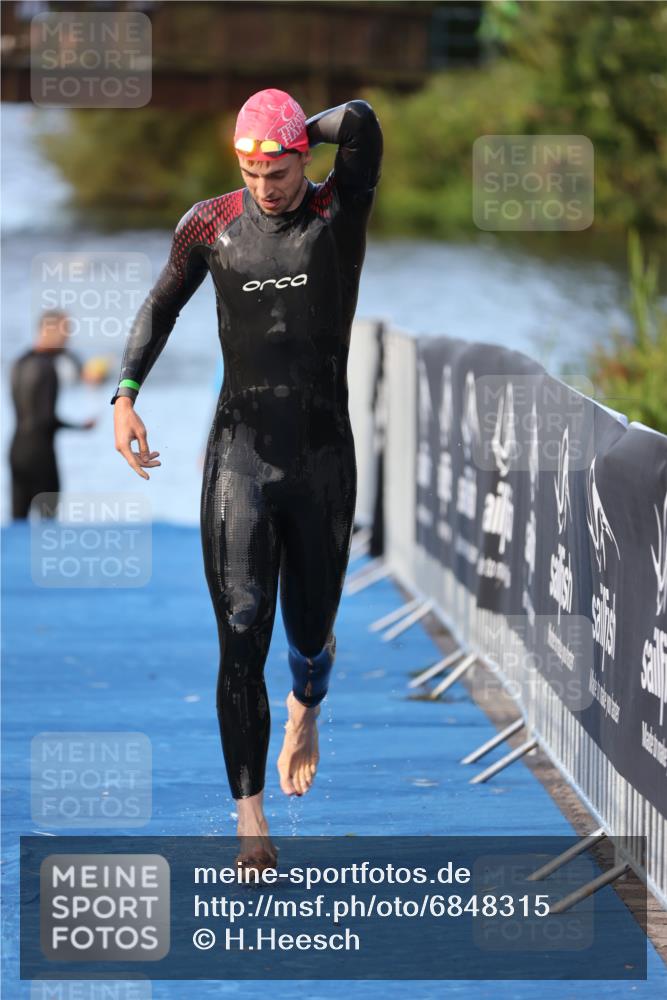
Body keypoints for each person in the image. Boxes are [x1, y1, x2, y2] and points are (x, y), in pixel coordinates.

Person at [111, 88, 383, 872]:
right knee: (239, 632)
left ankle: (307, 702)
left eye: (280, 168)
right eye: (252, 170)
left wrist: (302, 123)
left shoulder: (338, 213)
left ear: (304, 155)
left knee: (307, 631)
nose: (266, 186)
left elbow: (360, 122)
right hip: (238, 456)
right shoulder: (209, 225)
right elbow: (159, 309)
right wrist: (125, 397)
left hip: (323, 456)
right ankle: (249, 817)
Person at [9, 309, 99, 519]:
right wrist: (81, 427)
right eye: (65, 331)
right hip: (41, 454)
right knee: (48, 524)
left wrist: (81, 367)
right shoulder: (47, 369)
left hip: (16, 451)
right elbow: (45, 419)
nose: (68, 338)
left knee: (17, 522)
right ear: (49, 331)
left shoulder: (19, 362)